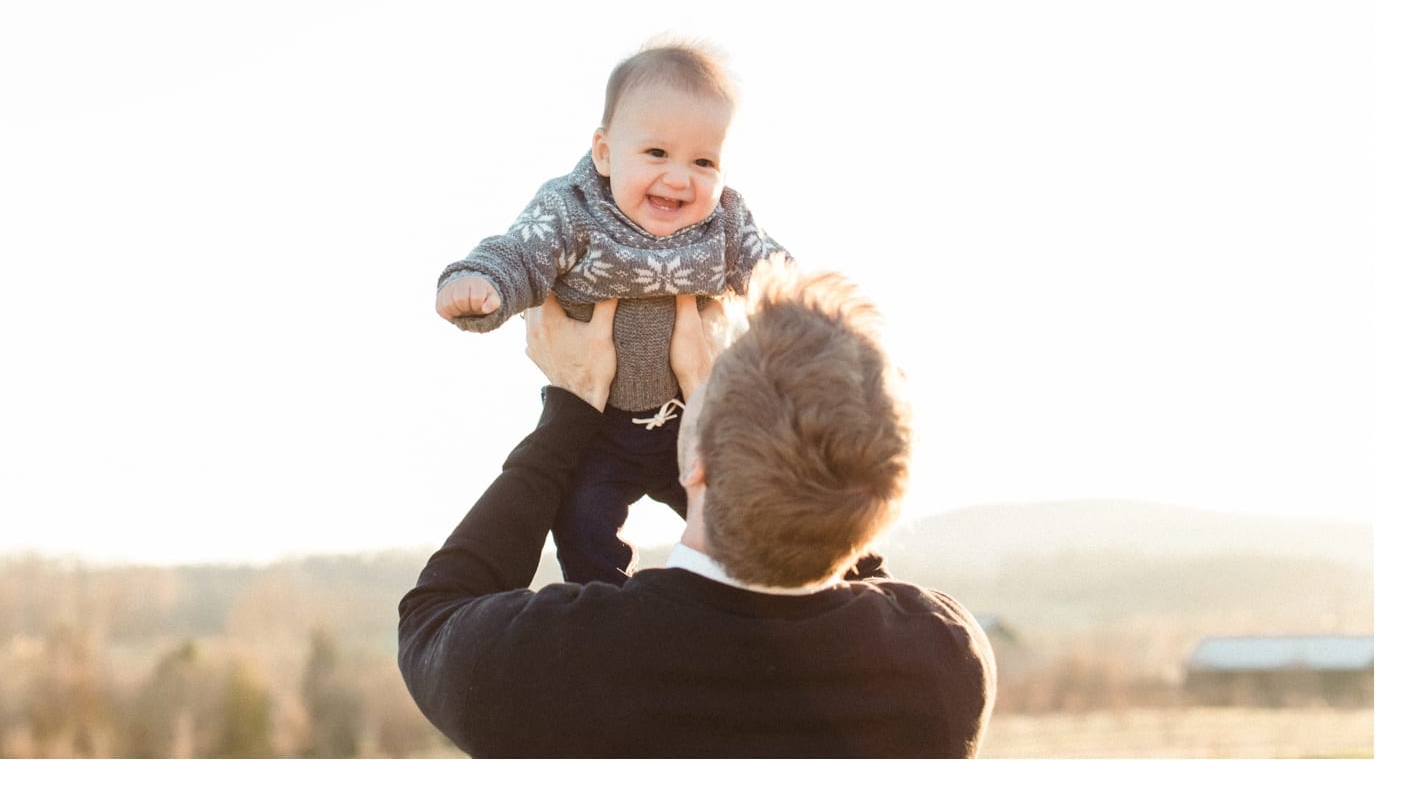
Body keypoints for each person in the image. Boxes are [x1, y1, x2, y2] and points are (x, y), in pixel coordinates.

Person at [399, 263, 996, 758]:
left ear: (700, 463)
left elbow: (432, 616)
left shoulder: (556, 663)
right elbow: (847, 523)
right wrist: (721, 422)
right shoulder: (942, 665)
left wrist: (571, 406)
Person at [434, 40, 787, 584]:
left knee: (742, 515)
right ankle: (610, 613)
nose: (678, 178)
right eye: (656, 154)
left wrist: (811, 315)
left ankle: (734, 604)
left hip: (687, 416)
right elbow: (522, 252)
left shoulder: (726, 222)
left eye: (703, 161)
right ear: (604, 153)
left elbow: (775, 274)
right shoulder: (573, 210)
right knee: (581, 526)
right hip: (598, 426)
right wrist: (482, 285)